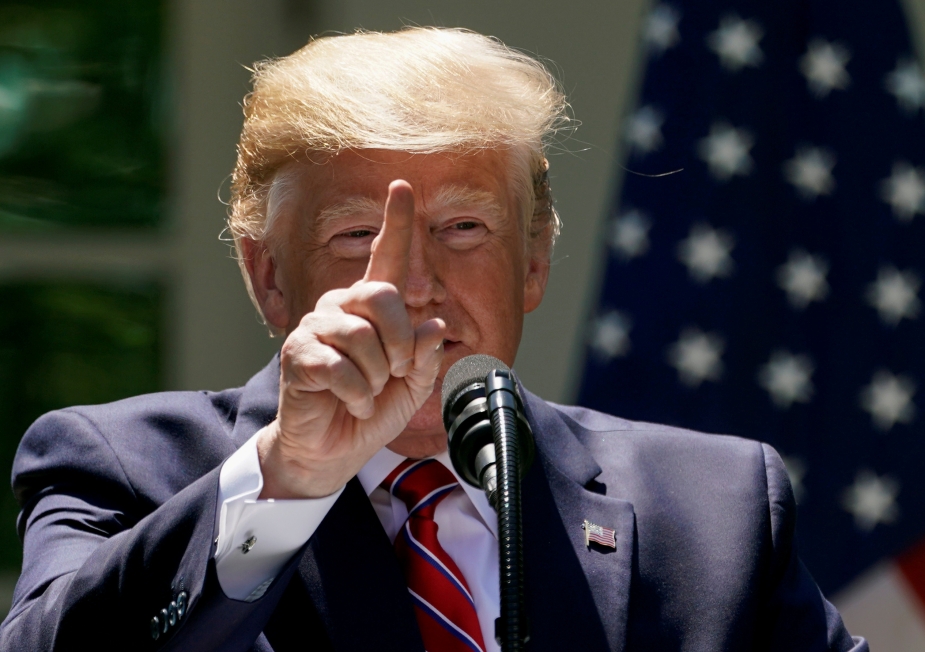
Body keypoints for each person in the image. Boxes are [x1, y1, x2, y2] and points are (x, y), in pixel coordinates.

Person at [1, 27, 866, 651]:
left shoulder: (717, 508)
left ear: (533, 261)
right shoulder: (120, 465)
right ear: (268, 275)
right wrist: (291, 478)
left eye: (462, 228)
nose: (413, 284)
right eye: (355, 237)